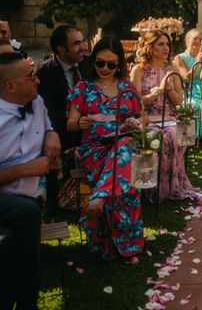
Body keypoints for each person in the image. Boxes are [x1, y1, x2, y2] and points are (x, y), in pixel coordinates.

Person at [66, 37, 144, 260]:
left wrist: (134, 124)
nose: (105, 69)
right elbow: (70, 123)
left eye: (112, 64)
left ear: (119, 63)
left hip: (122, 141)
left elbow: (141, 118)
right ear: (93, 61)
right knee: (125, 164)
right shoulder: (83, 88)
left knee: (125, 147)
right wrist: (79, 123)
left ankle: (99, 199)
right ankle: (124, 244)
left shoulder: (127, 88)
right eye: (100, 63)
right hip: (95, 147)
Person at [0, 51, 61, 310]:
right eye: (31, 76)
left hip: (28, 204)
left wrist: (51, 135)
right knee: (26, 214)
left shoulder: (36, 103)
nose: (37, 81)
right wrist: (26, 168)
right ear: (10, 85)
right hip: (9, 201)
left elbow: (48, 125)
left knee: (7, 247)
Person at [131, 30, 196, 201]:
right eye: (160, 44)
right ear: (150, 48)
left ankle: (170, 188)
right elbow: (135, 102)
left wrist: (169, 90)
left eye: (167, 44)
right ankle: (150, 189)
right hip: (147, 119)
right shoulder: (139, 70)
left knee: (174, 134)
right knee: (155, 136)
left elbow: (179, 102)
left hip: (169, 119)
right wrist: (157, 92)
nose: (166, 48)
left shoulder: (172, 69)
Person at [36, 25, 87, 209]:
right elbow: (46, 111)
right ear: (61, 49)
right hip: (61, 132)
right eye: (76, 43)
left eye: (83, 41)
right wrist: (72, 115)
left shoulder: (89, 65)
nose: (83, 47)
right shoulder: (47, 73)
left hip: (89, 127)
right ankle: (56, 197)